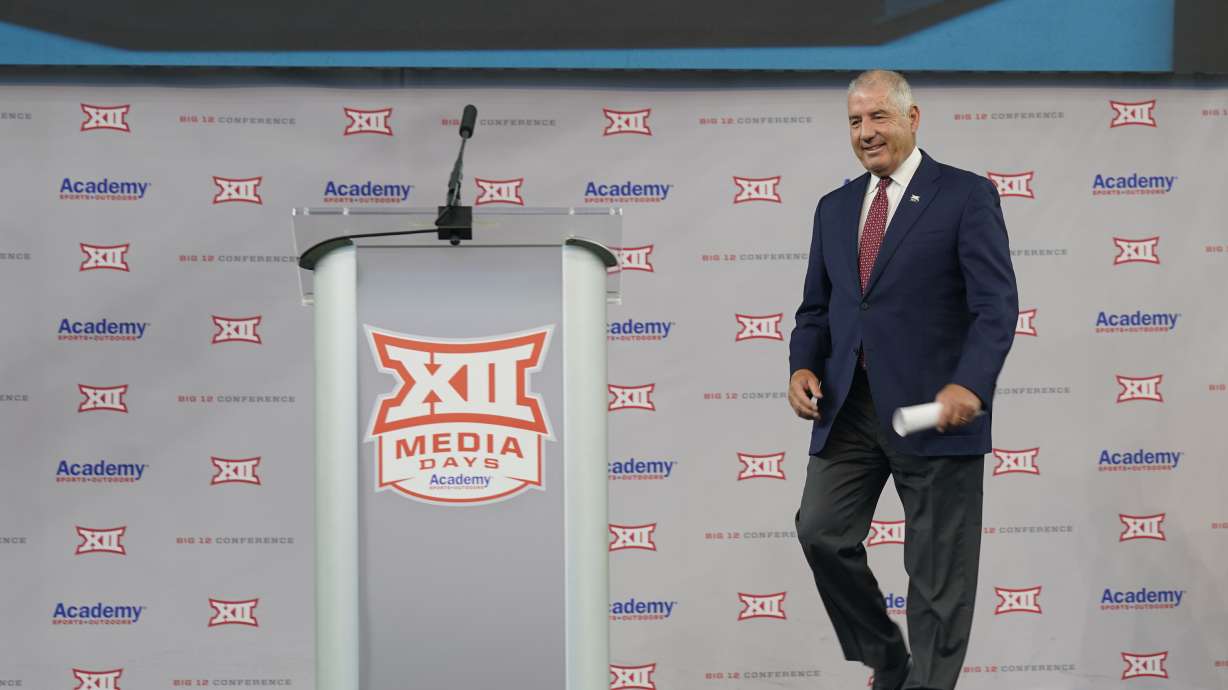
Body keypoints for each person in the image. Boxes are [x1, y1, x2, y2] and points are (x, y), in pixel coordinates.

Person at [788, 70, 1018, 690]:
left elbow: (996, 304)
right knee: (820, 532)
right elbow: (818, 308)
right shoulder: (834, 208)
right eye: (856, 122)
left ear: (913, 118)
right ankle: (887, 656)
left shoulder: (966, 196)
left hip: (936, 411)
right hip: (851, 407)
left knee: (939, 575)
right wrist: (802, 365)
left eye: (878, 118)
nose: (866, 133)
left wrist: (972, 383)